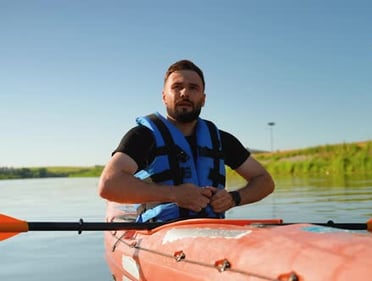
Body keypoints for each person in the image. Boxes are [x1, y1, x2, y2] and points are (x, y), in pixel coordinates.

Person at [98, 59, 274, 222]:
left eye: (193, 88)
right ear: (164, 96)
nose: (185, 93)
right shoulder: (143, 137)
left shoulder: (222, 140)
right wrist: (175, 194)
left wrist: (234, 198)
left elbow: (264, 181)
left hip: (213, 230)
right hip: (158, 232)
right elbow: (109, 185)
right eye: (177, 87)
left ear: (203, 99)